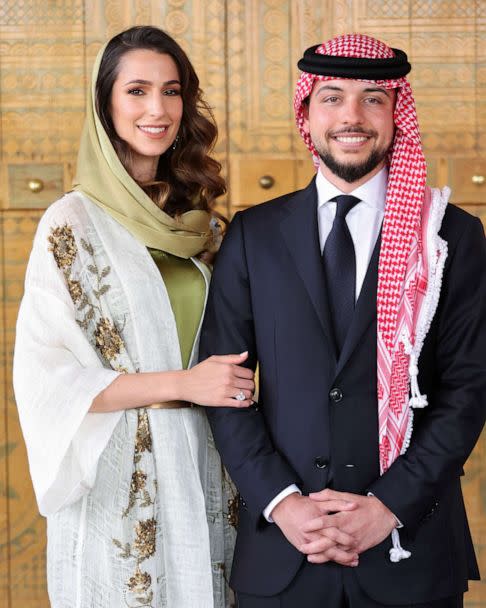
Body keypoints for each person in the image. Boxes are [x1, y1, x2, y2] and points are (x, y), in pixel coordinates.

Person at [199, 33, 486, 607]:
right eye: (331, 97)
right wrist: (284, 503)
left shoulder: (451, 237)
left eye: (373, 98)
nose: (351, 116)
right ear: (307, 112)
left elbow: (468, 389)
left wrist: (386, 508)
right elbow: (224, 387)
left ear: (396, 114)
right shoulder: (252, 236)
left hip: (410, 550)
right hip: (283, 554)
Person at [13, 25, 254, 608]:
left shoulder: (202, 224)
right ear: (105, 105)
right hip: (122, 471)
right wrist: (184, 384)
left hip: (207, 459)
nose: (157, 109)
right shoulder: (71, 224)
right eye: (137, 91)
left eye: (172, 92)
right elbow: (50, 379)